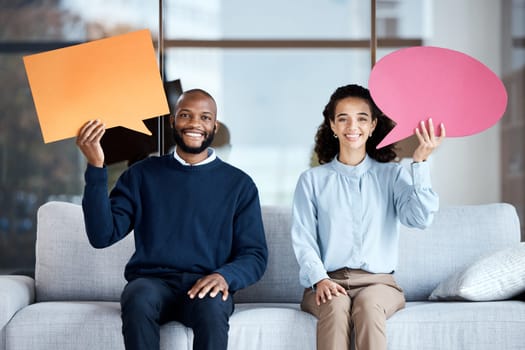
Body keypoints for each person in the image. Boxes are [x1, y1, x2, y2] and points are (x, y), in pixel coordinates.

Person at [76, 88, 268, 350]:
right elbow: (101, 235)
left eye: (205, 117)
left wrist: (225, 277)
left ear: (214, 125)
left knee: (213, 305)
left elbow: (254, 254)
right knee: (138, 296)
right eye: (185, 115)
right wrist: (96, 166)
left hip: (206, 282)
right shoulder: (141, 175)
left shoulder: (239, 185)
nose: (194, 124)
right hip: (152, 283)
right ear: (172, 121)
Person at [291, 84, 445, 350]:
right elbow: (303, 238)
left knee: (367, 305)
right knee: (336, 306)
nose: (353, 126)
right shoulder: (311, 181)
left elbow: (420, 219)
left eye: (362, 118)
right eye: (343, 118)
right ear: (332, 125)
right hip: (327, 280)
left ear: (373, 125)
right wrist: (320, 278)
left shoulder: (393, 175)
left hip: (379, 283)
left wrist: (419, 163)